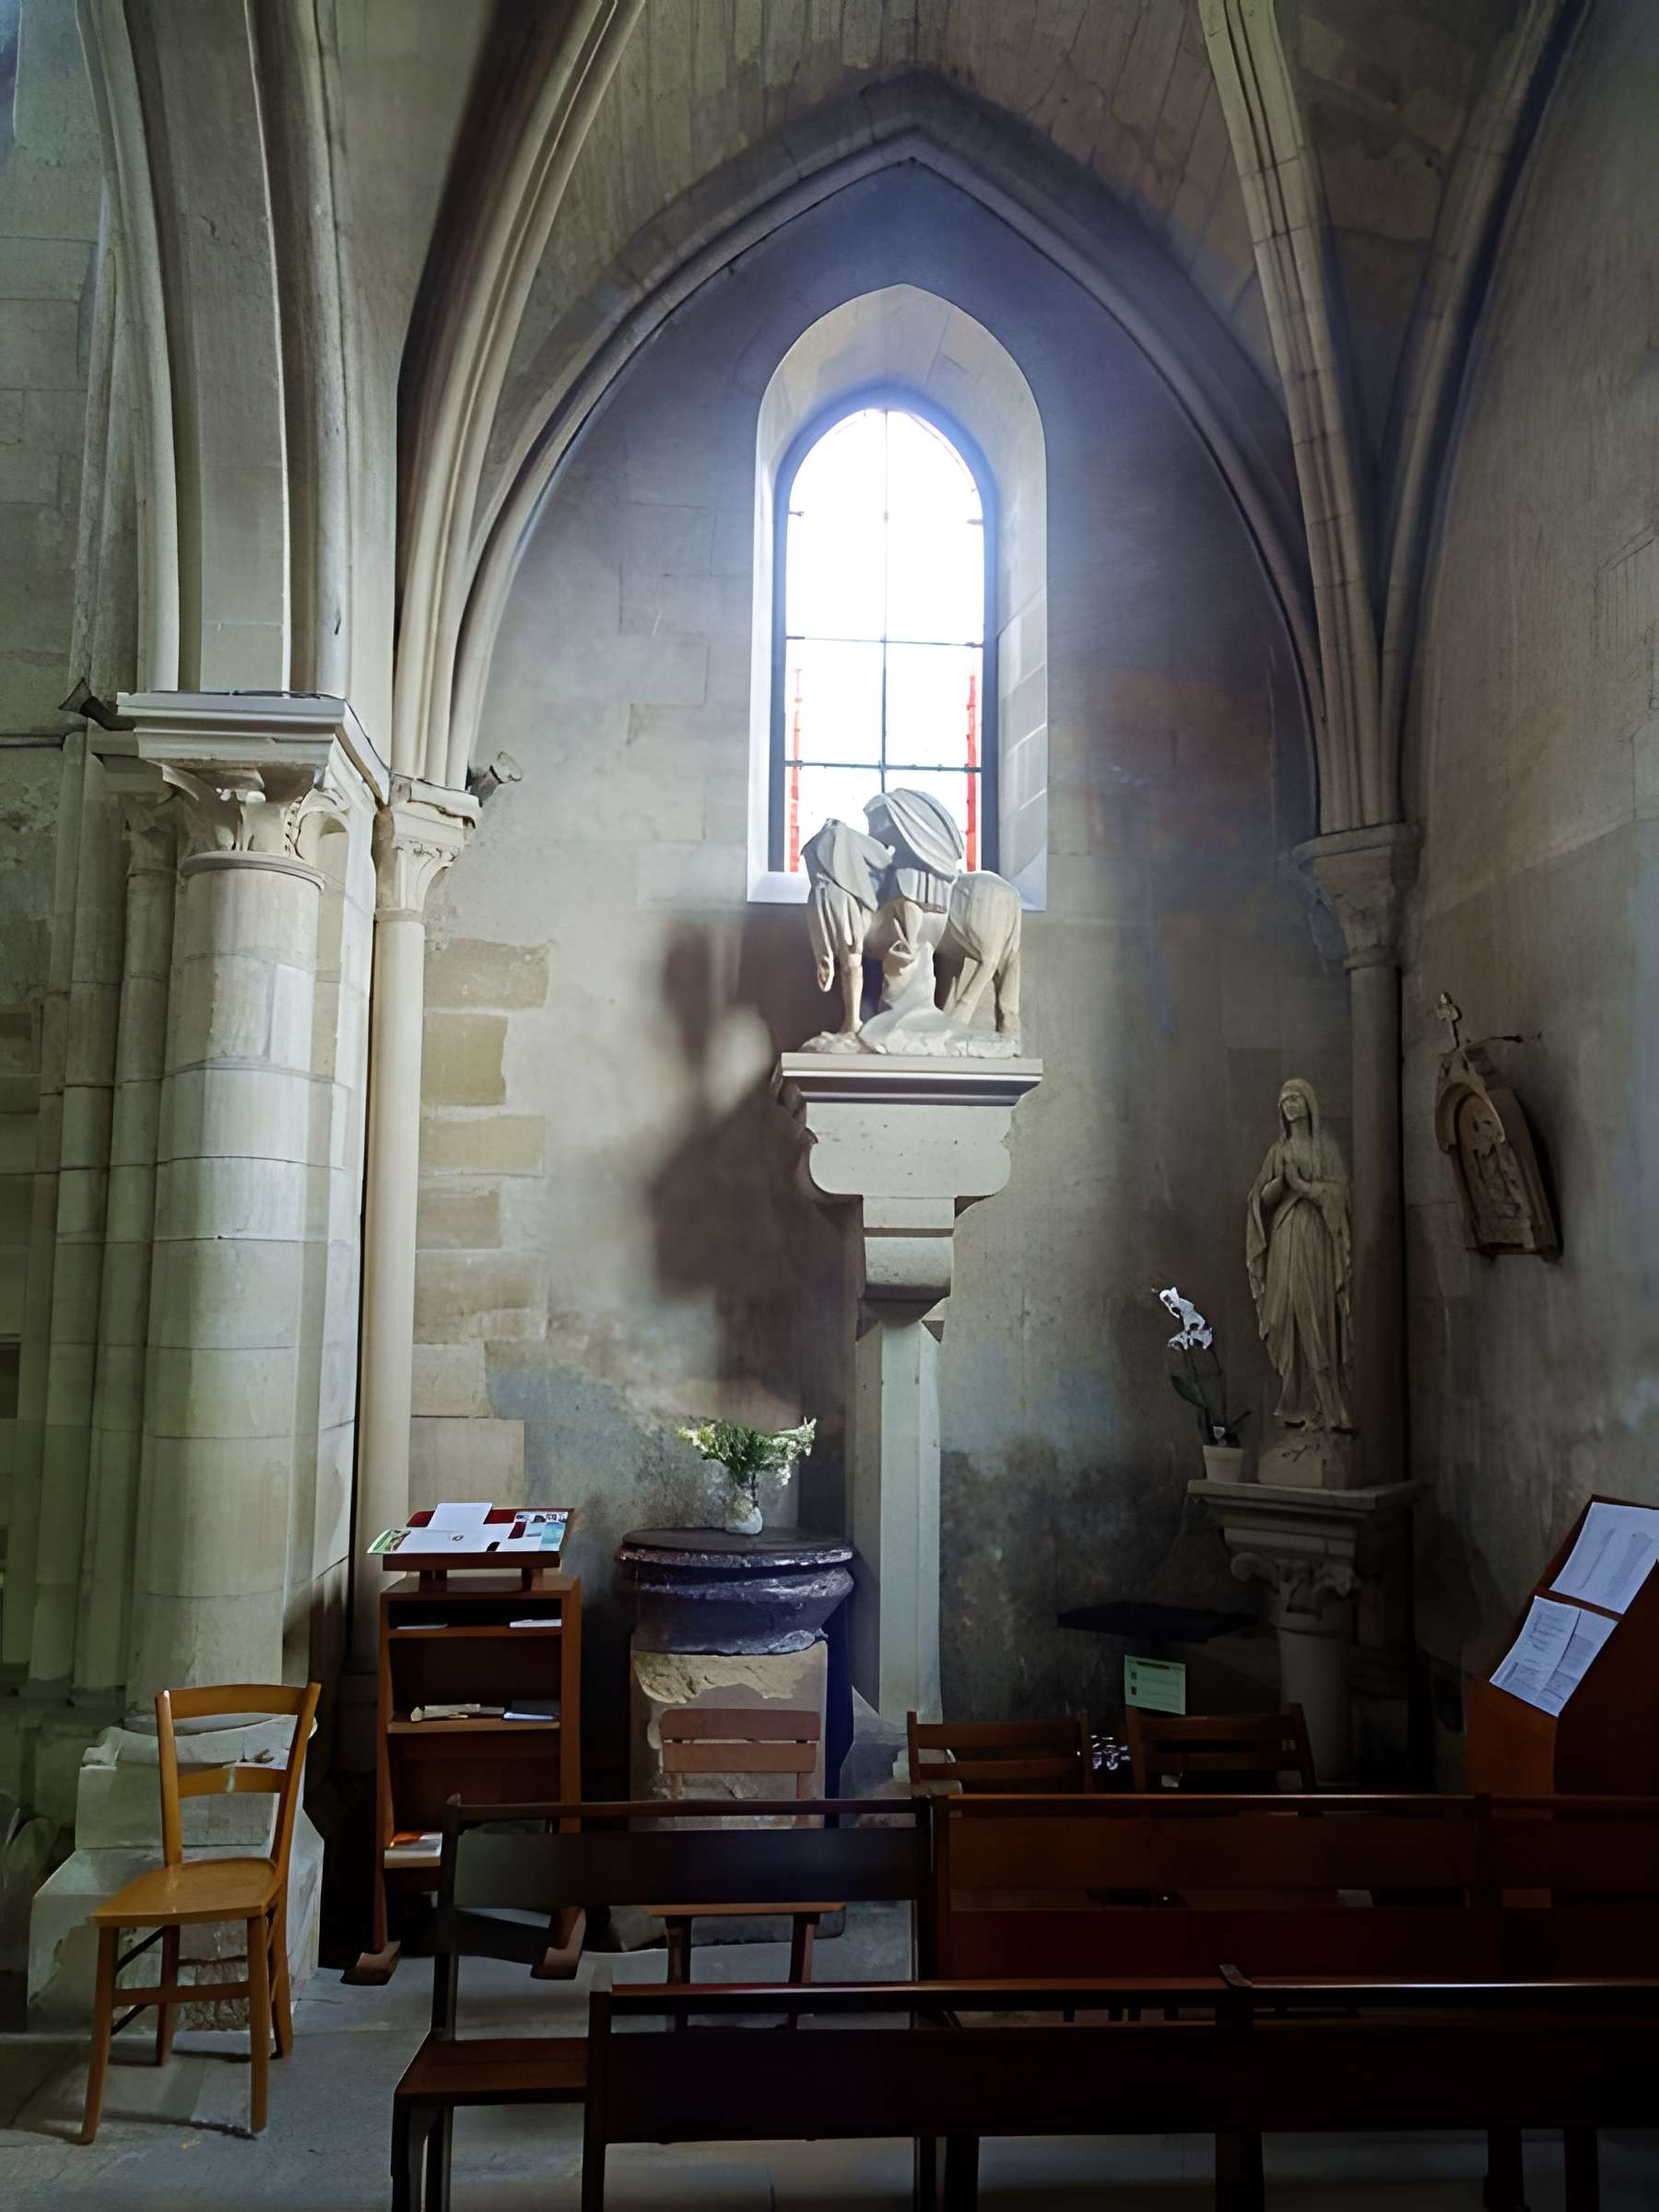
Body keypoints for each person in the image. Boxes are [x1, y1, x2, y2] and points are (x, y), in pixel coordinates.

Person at [1245, 1078, 1353, 1430]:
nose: (1289, 1103)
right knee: (1282, 1315)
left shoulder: (1326, 1149)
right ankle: (1297, 1404)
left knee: (1314, 1316)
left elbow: (1340, 1196)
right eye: (1283, 1099)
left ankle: (1329, 1405)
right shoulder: (1278, 1152)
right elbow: (1259, 1200)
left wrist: (1304, 1187)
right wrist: (1278, 1187)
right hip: (1283, 1236)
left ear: (1310, 1103)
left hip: (1313, 1238)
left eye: (1295, 1097)